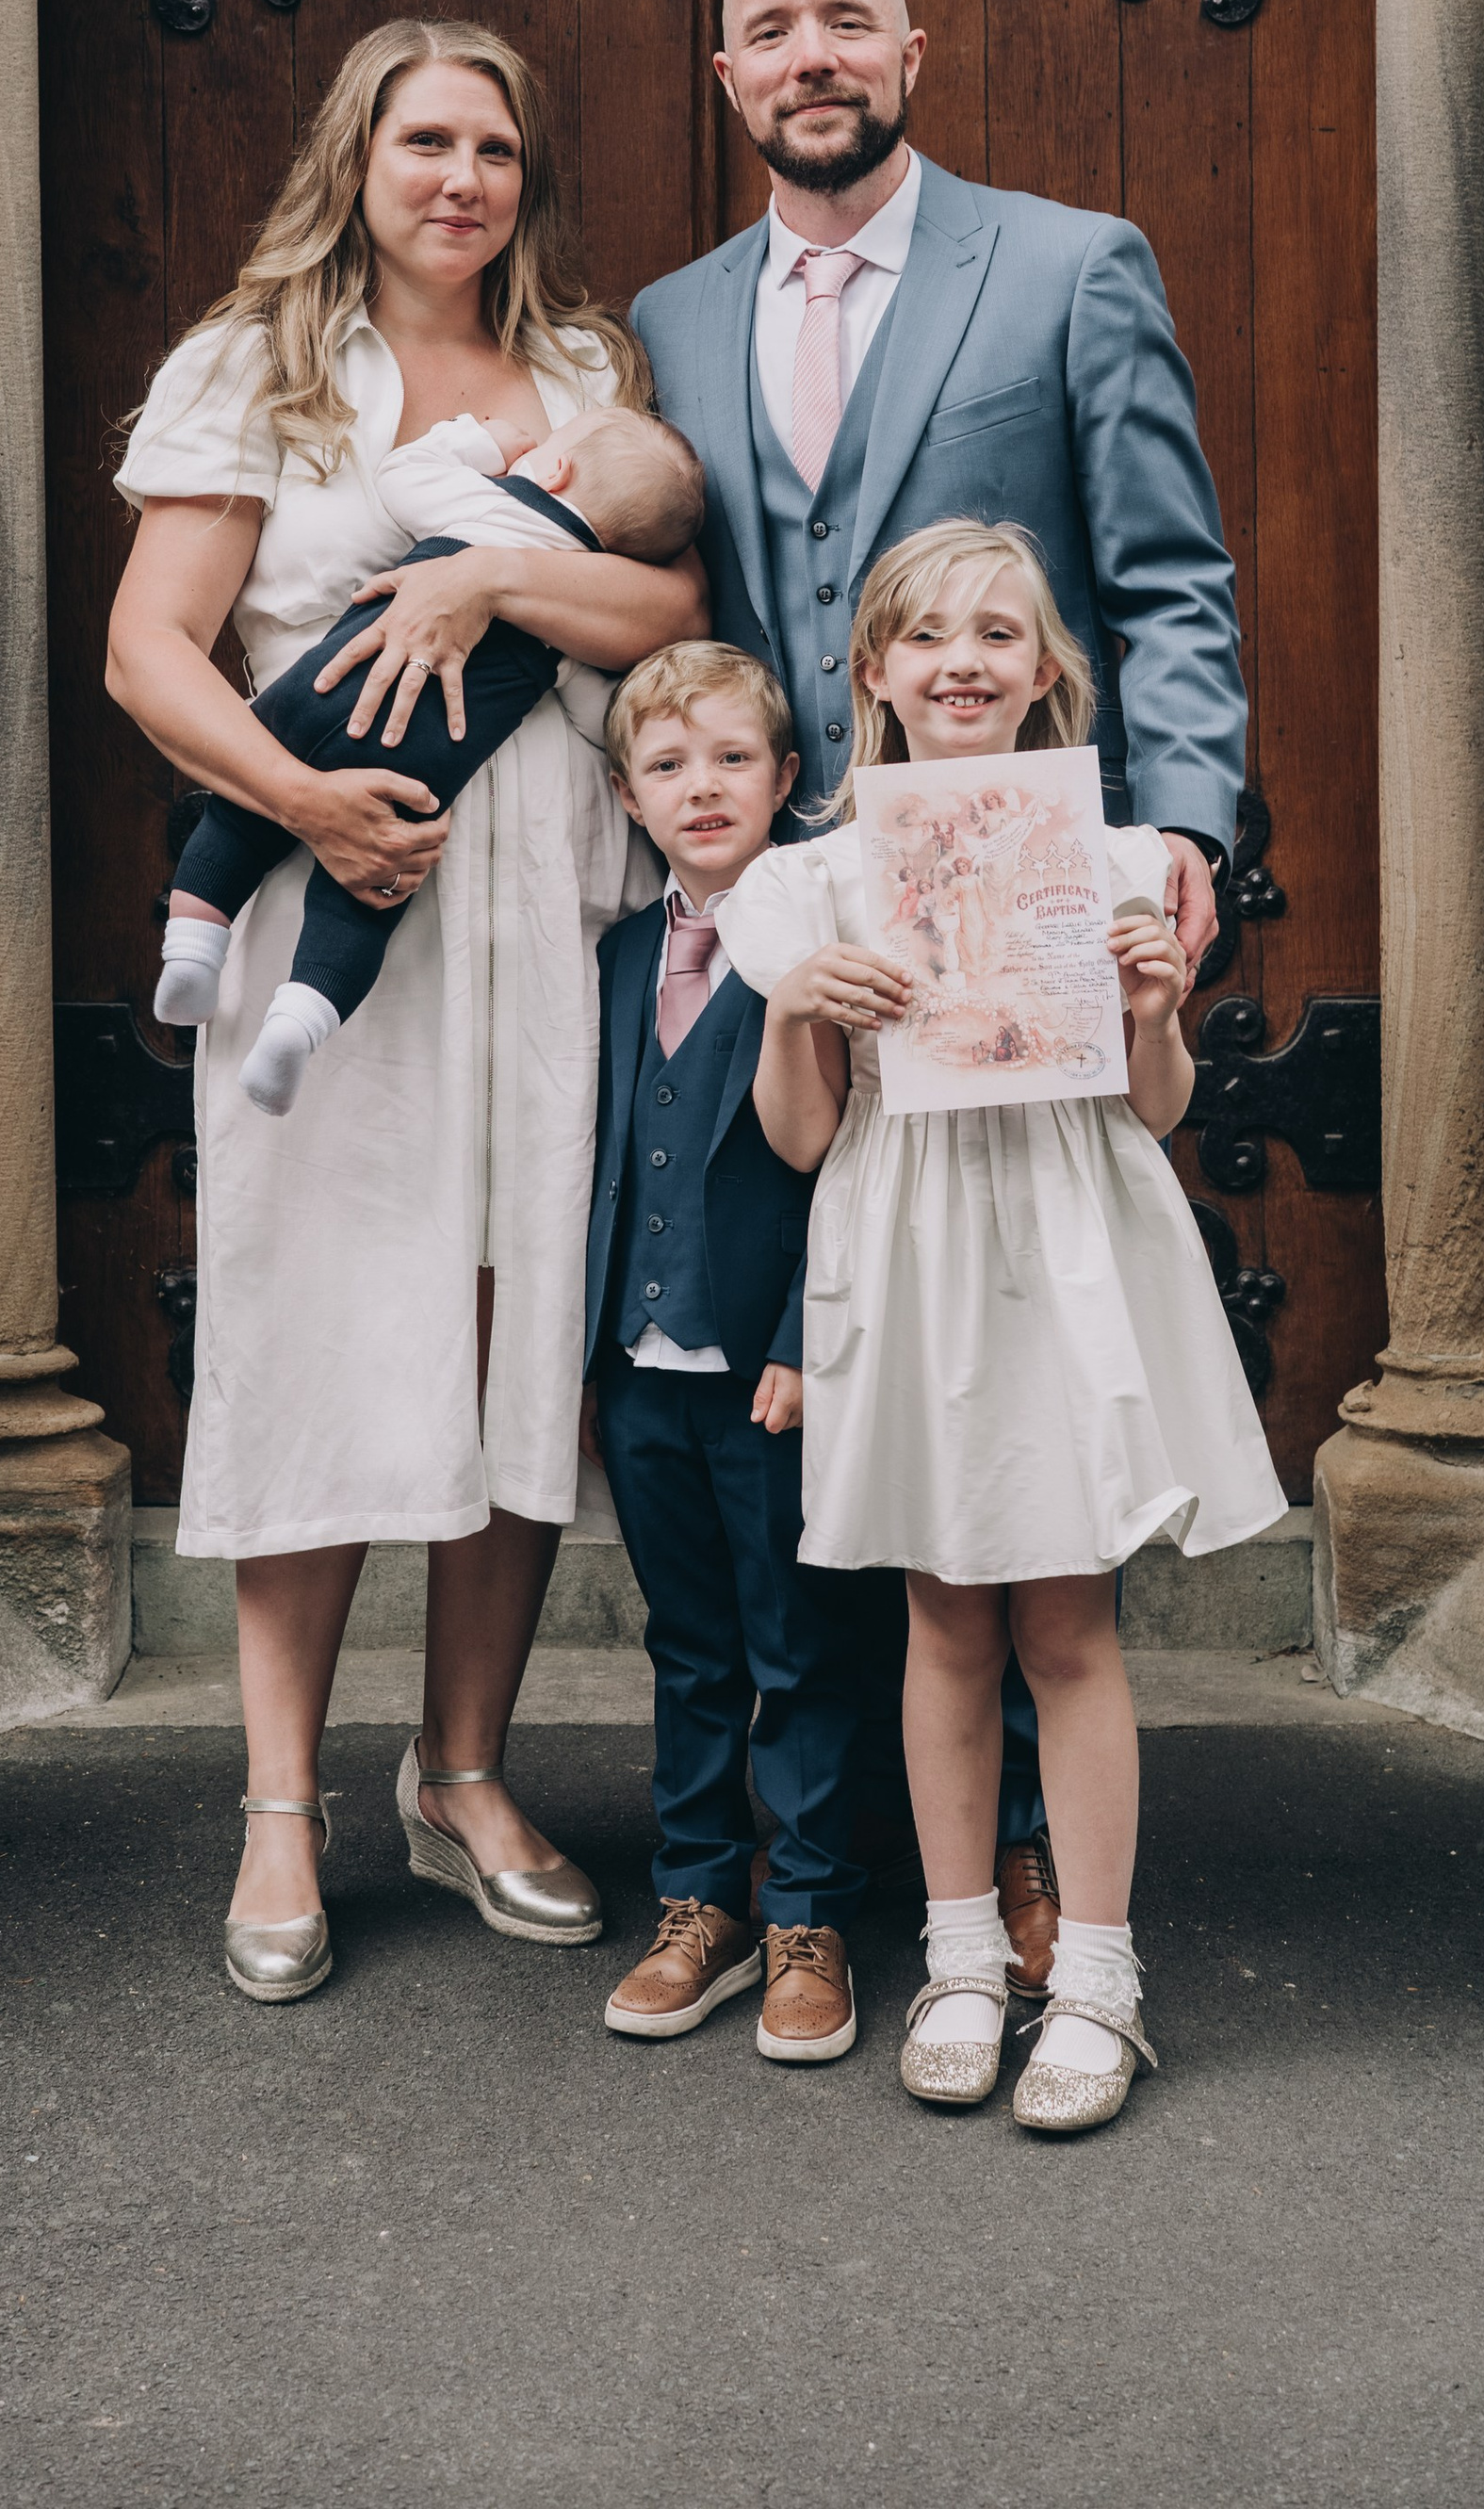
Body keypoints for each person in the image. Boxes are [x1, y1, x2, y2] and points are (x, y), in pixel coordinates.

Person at [631, 0, 1249, 1993]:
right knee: (804, 1387)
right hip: (792, 934)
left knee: (1011, 1362)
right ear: (729, 77)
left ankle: (1040, 1873)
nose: (809, 53)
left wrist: (1182, 834)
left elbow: (1164, 579)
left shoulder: (1068, 267)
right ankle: (802, 1881)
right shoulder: (671, 319)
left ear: (910, 51)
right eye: (769, 28)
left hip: (1019, 919)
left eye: (844, 20)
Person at [106, 17, 706, 2004]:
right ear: (353, 163)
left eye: (496, 150)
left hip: (543, 914)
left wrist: (486, 590)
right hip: (333, 898)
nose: (463, 180)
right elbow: (151, 650)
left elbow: (669, 615)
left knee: (509, 1328)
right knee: (320, 1326)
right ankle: (280, 1804)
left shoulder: (585, 375)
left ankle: (461, 1774)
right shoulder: (261, 367)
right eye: (426, 142)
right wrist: (303, 807)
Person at [717, 519, 1285, 2130]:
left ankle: (1097, 1974)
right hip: (910, 1245)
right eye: (926, 636)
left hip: (1067, 1248)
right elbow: (802, 1140)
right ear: (872, 673)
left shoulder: (1114, 861)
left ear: (1046, 674)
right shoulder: (809, 884)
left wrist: (1156, 1007)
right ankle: (962, 1955)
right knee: (946, 1618)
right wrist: (797, 1010)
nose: (960, 661)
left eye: (996, 635)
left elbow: (1153, 1109)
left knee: (1070, 1623)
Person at [582, 641, 865, 2067]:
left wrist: (806, 1338)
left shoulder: (822, 944)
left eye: (733, 759)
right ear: (628, 797)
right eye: (668, 765)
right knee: (688, 1645)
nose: (702, 787)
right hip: (638, 1368)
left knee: (795, 1645)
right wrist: (585, 1352)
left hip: (769, 1371)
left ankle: (809, 1910)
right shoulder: (619, 957)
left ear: (788, 778)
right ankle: (702, 1898)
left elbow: (850, 1162)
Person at [153, 400, 705, 1114]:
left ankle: (192, 951)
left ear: (554, 470)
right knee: (363, 901)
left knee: (235, 821)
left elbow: (404, 473)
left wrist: (482, 441)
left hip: (320, 699)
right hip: (416, 774)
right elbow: (596, 718)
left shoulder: (481, 504)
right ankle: (298, 1024)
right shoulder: (573, 604)